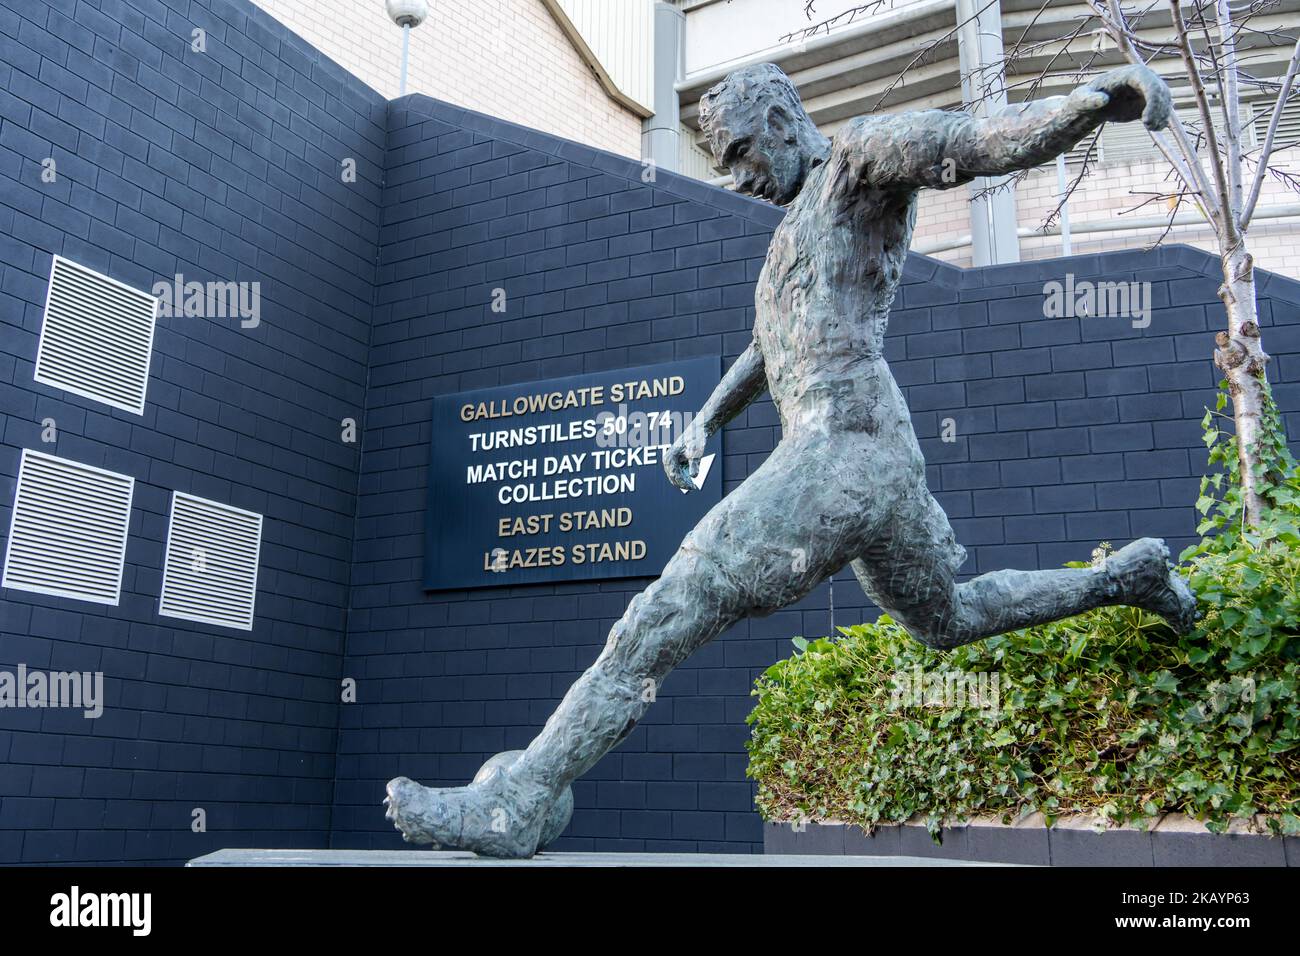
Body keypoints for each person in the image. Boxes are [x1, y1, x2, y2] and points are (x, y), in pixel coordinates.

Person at [384, 62, 1197, 857]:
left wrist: (1093, 103)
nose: (736, 177)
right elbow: (772, 347)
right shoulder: (798, 229)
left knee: (664, 612)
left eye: (738, 153)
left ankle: (520, 801)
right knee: (950, 619)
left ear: (778, 124)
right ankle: (1125, 579)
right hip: (879, 456)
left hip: (841, 448)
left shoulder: (859, 163)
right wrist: (704, 419)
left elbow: (970, 140)